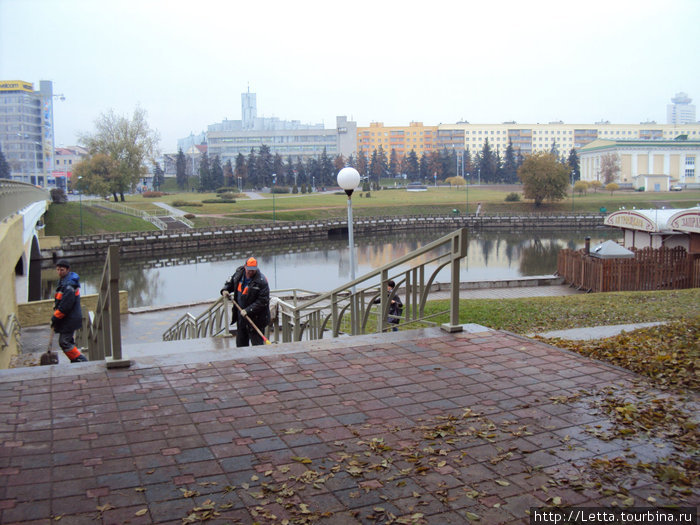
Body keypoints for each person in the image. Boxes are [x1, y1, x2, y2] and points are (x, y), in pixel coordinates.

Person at [220, 256, 270, 347]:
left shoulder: (261, 281)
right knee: (241, 345)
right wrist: (225, 289)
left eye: (253, 270)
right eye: (249, 269)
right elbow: (230, 283)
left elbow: (263, 301)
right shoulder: (239, 273)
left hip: (256, 319)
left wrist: (248, 310)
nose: (251, 272)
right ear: (245, 266)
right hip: (241, 317)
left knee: (257, 346)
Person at [51, 259, 88, 362]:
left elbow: (65, 306)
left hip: (70, 319)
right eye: (57, 270)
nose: (59, 272)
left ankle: (80, 360)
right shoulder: (64, 281)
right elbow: (61, 301)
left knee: (64, 342)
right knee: (68, 341)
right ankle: (76, 360)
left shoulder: (69, 286)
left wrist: (55, 318)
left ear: (68, 270)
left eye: (61, 270)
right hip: (69, 318)